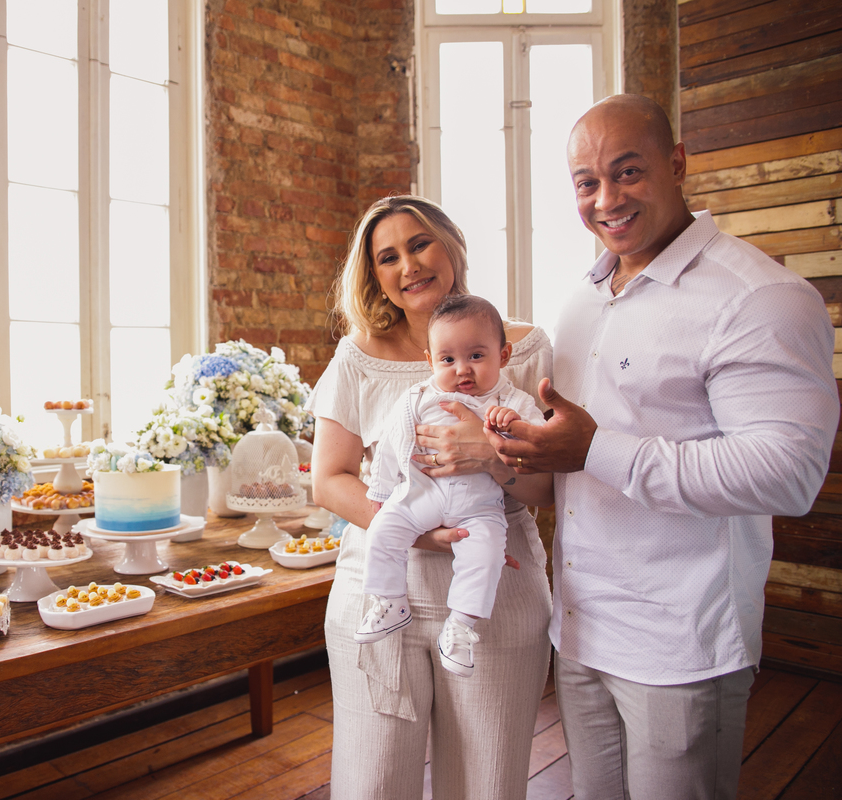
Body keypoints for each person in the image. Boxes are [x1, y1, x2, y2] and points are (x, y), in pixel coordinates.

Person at [492, 94, 839, 799]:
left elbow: (788, 475)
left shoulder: (759, 297)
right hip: (582, 627)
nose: (606, 199)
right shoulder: (580, 300)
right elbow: (572, 454)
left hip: (682, 642)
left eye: (628, 172)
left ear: (677, 164)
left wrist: (596, 451)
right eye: (587, 182)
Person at [308, 195, 554, 799]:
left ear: (451, 245)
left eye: (419, 244)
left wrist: (488, 455)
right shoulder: (356, 358)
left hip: (498, 592)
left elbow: (549, 487)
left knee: (486, 783)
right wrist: (411, 527)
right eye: (387, 257)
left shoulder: (526, 350)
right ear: (375, 278)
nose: (408, 265)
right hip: (381, 586)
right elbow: (330, 477)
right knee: (373, 782)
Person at [357, 295, 550, 682]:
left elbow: (539, 450)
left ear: (504, 354)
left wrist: (513, 428)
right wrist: (380, 493)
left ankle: (461, 627)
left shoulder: (512, 401)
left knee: (487, 554)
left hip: (479, 506)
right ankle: (390, 601)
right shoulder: (417, 399)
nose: (462, 369)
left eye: (476, 356)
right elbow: (392, 446)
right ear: (430, 361)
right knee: (382, 531)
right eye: (447, 360)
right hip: (421, 494)